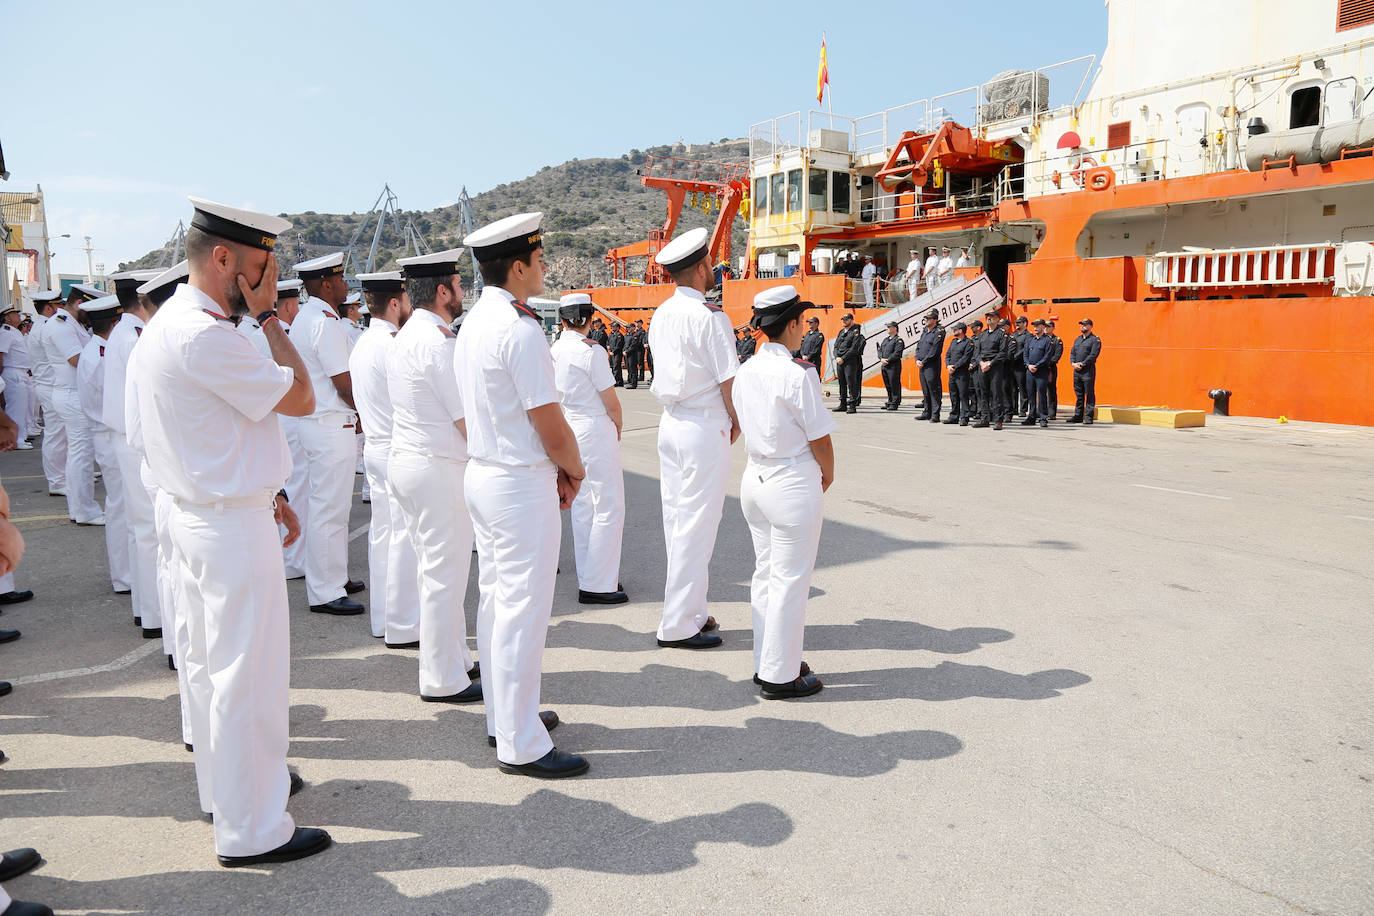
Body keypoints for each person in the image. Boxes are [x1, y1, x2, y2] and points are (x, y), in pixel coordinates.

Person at [130, 196, 329, 867]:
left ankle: (233, 795)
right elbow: (303, 396)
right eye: (263, 267)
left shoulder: (175, 326)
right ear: (225, 260)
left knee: (220, 673)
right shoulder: (207, 335)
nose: (271, 280)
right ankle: (253, 829)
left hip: (204, 515)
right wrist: (271, 317)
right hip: (227, 525)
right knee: (252, 681)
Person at [456, 213, 586, 777]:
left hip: (487, 474)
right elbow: (548, 419)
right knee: (521, 612)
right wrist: (574, 468)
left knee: (497, 604)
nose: (544, 268)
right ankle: (521, 742)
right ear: (517, 266)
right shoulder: (520, 328)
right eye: (538, 259)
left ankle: (506, 717)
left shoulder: (474, 322)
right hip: (516, 482)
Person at [732, 285, 834, 699]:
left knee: (766, 576)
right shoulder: (797, 374)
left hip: (754, 480)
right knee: (790, 581)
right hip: (791, 481)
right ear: (791, 325)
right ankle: (780, 675)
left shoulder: (745, 370)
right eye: (800, 323)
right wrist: (827, 474)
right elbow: (820, 439)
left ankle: (768, 660)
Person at [387, 251, 481, 700]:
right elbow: (467, 420)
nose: (462, 293)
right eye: (459, 286)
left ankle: (456, 659)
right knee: (445, 575)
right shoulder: (438, 342)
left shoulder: (407, 336)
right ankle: (442, 677)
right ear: (443, 292)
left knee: (436, 571)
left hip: (413, 463)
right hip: (438, 469)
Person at [646, 226, 739, 651]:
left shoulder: (662, 313)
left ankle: (692, 609)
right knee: (698, 526)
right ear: (702, 267)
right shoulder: (710, 317)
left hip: (671, 424)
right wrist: (739, 423)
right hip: (703, 426)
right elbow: (728, 382)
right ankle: (679, 623)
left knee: (679, 524)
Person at [107, 265, 182, 640]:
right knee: (151, 536)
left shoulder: (127, 333)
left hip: (133, 439)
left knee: (145, 533)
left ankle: (149, 613)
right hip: (139, 441)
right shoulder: (136, 335)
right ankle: (154, 616)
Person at [289, 252, 364, 615]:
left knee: (333, 508)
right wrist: (364, 411)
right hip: (330, 423)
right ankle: (325, 590)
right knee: (328, 510)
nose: (346, 285)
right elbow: (344, 383)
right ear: (325, 284)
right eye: (341, 279)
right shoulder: (324, 322)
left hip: (324, 424)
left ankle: (335, 577)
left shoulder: (311, 317)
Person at [349, 270, 420, 647]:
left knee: (383, 536)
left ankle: (385, 619)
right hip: (395, 447)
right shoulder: (392, 345)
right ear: (396, 302)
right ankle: (404, 625)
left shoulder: (363, 343)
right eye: (407, 299)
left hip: (376, 447)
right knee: (404, 540)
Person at [550, 293, 626, 605]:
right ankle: (600, 583)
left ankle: (591, 574)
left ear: (563, 319)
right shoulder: (591, 352)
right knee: (608, 506)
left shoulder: (553, 349)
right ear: (590, 318)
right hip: (595, 428)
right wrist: (616, 429)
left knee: (583, 508)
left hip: (570, 427)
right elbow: (611, 403)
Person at [75, 296, 133, 600]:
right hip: (109, 434)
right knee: (121, 507)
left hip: (105, 433)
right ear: (115, 323)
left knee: (120, 505)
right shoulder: (101, 354)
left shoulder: (95, 350)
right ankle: (124, 575)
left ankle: (125, 573)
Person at [47, 284, 104, 526]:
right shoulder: (60, 324)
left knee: (78, 455)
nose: (91, 319)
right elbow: (76, 359)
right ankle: (84, 511)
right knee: (81, 455)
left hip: (75, 394)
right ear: (80, 304)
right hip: (71, 395)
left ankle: (78, 509)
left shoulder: (72, 323)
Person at [28, 291, 68, 495]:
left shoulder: (42, 326)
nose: (62, 308)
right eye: (59, 304)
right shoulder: (45, 328)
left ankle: (64, 475)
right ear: (50, 308)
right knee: (55, 435)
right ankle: (57, 481)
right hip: (50, 386)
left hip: (50, 385)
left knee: (61, 435)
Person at [0, 308, 34, 452]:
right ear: (7, 318)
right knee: (16, 408)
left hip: (21, 372)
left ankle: (22, 436)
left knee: (22, 407)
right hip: (13, 372)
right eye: (14, 314)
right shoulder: (5, 332)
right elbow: (0, 355)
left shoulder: (13, 331)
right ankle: (17, 439)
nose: (18, 316)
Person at [972, 311, 1008, 430]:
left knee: (996, 393)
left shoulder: (1002, 334)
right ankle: (985, 418)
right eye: (988, 317)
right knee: (983, 393)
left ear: (997, 319)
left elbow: (1003, 353)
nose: (989, 319)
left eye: (992, 317)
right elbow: (977, 352)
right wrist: (981, 363)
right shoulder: (983, 335)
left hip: (995, 366)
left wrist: (990, 364)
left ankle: (998, 420)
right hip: (982, 366)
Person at [1067, 318, 1102, 425]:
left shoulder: (1095, 340)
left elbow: (1093, 354)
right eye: (1082, 324)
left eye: (1085, 324)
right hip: (1077, 371)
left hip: (1087, 371)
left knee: (1089, 393)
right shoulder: (1077, 339)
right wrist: (1073, 363)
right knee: (1079, 394)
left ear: (1091, 326)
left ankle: (1088, 417)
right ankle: (1078, 416)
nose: (1083, 326)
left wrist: (1082, 364)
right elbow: (1072, 353)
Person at [913, 308, 945, 422]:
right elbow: (919, 346)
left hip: (931, 365)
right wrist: (917, 359)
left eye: (929, 319)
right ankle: (927, 411)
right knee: (925, 389)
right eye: (926, 319)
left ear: (935, 320)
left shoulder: (939, 331)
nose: (926, 320)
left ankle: (935, 414)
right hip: (921, 364)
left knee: (933, 389)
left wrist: (924, 361)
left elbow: (935, 350)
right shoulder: (925, 330)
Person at [1022, 319, 1054, 427]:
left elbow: (1047, 356)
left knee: (1041, 394)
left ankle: (1043, 417)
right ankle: (1031, 416)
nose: (1035, 328)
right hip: (1030, 371)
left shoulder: (1047, 341)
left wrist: (1037, 365)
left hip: (1041, 371)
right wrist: (1028, 365)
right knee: (1030, 394)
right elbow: (1025, 354)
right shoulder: (1030, 340)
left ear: (1043, 327)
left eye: (1037, 326)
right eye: (1034, 326)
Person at [943, 322, 976, 425]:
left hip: (962, 373)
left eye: (955, 329)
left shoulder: (968, 342)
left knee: (963, 395)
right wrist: (948, 365)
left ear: (961, 331)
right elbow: (947, 355)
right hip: (952, 373)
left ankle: (964, 417)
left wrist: (955, 366)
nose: (954, 331)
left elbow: (965, 358)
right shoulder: (953, 342)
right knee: (953, 395)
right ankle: (954, 416)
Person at [832, 312, 865, 413]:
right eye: (843, 319)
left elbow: (854, 348)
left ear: (851, 320)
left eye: (846, 319)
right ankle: (842, 404)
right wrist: (837, 356)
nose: (844, 321)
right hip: (840, 361)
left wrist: (843, 358)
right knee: (842, 383)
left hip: (850, 361)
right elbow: (836, 346)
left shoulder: (855, 333)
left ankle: (852, 405)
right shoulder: (841, 332)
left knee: (851, 383)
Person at [876, 321, 904, 410]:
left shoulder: (898, 340)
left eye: (889, 327)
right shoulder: (886, 340)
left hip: (893, 366)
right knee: (888, 384)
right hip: (884, 365)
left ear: (895, 329)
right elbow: (880, 350)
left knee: (894, 384)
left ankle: (895, 402)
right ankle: (890, 400)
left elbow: (897, 353)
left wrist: (888, 360)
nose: (887, 329)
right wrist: (881, 359)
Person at [1009, 315, 1030, 417]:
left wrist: (1015, 357)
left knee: (1022, 388)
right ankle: (1013, 409)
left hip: (1021, 365)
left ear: (1025, 324)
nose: (1016, 324)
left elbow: (1025, 349)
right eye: (1016, 323)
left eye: (1019, 323)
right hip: (1012, 365)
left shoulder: (1028, 335)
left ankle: (1023, 409)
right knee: (1012, 388)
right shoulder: (1014, 335)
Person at [794, 315, 824, 379]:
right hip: (804, 360)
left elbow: (816, 349)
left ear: (816, 324)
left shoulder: (819, 335)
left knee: (814, 378)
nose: (809, 324)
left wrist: (808, 356)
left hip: (813, 361)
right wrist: (802, 355)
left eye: (811, 322)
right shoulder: (807, 334)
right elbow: (802, 346)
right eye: (809, 322)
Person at [1046, 319, 1063, 419]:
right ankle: (1041, 411)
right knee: (1040, 390)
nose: (1046, 328)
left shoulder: (1057, 340)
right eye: (1045, 326)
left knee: (1051, 390)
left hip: (1050, 368)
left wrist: (1046, 363)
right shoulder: (1039, 339)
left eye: (1048, 326)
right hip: (1039, 368)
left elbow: (1057, 355)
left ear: (1053, 328)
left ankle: (1051, 413)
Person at [624, 320, 645, 389]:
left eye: (629, 327)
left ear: (633, 328)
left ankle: (633, 384)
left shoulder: (635, 335)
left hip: (632, 354)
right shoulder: (627, 335)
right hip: (627, 354)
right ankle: (630, 381)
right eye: (627, 328)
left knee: (633, 369)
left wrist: (627, 351)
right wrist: (624, 350)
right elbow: (625, 344)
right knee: (629, 368)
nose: (628, 329)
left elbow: (633, 345)